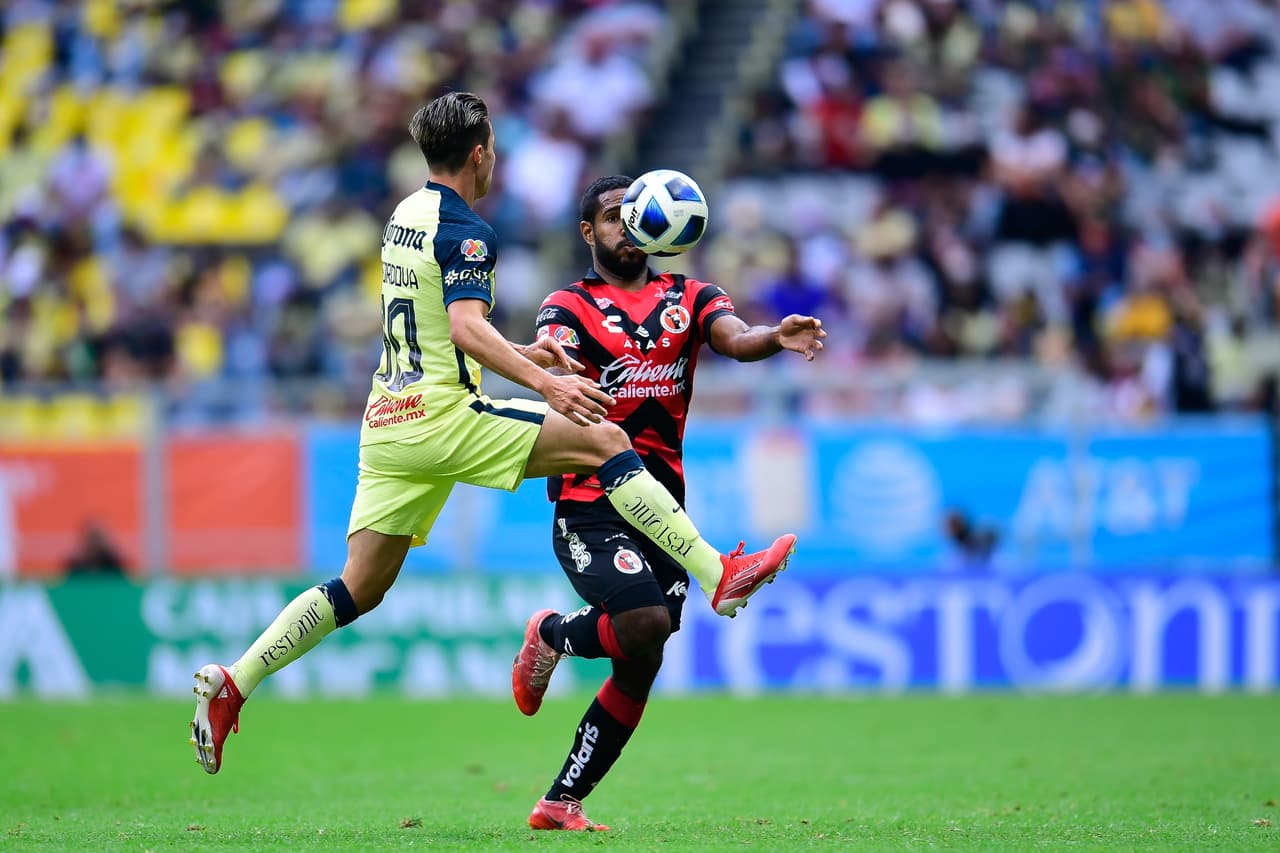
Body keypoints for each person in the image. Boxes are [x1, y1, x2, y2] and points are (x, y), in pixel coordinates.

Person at [188, 94, 797, 775]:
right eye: (494, 149)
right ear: (480, 153)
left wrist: (522, 354)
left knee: (358, 585)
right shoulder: (469, 229)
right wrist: (549, 385)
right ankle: (720, 572)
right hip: (442, 416)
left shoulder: (405, 216)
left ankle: (235, 679)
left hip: (388, 420)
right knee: (605, 441)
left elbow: (435, 321)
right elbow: (464, 329)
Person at [512, 175, 827, 831]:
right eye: (610, 216)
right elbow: (555, 357)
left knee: (643, 654)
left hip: (663, 513)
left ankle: (560, 800)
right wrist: (563, 372)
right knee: (647, 623)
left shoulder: (691, 295)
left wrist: (775, 335)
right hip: (589, 503)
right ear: (586, 232)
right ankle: (546, 634)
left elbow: (736, 338)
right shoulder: (566, 303)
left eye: (633, 213)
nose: (625, 225)